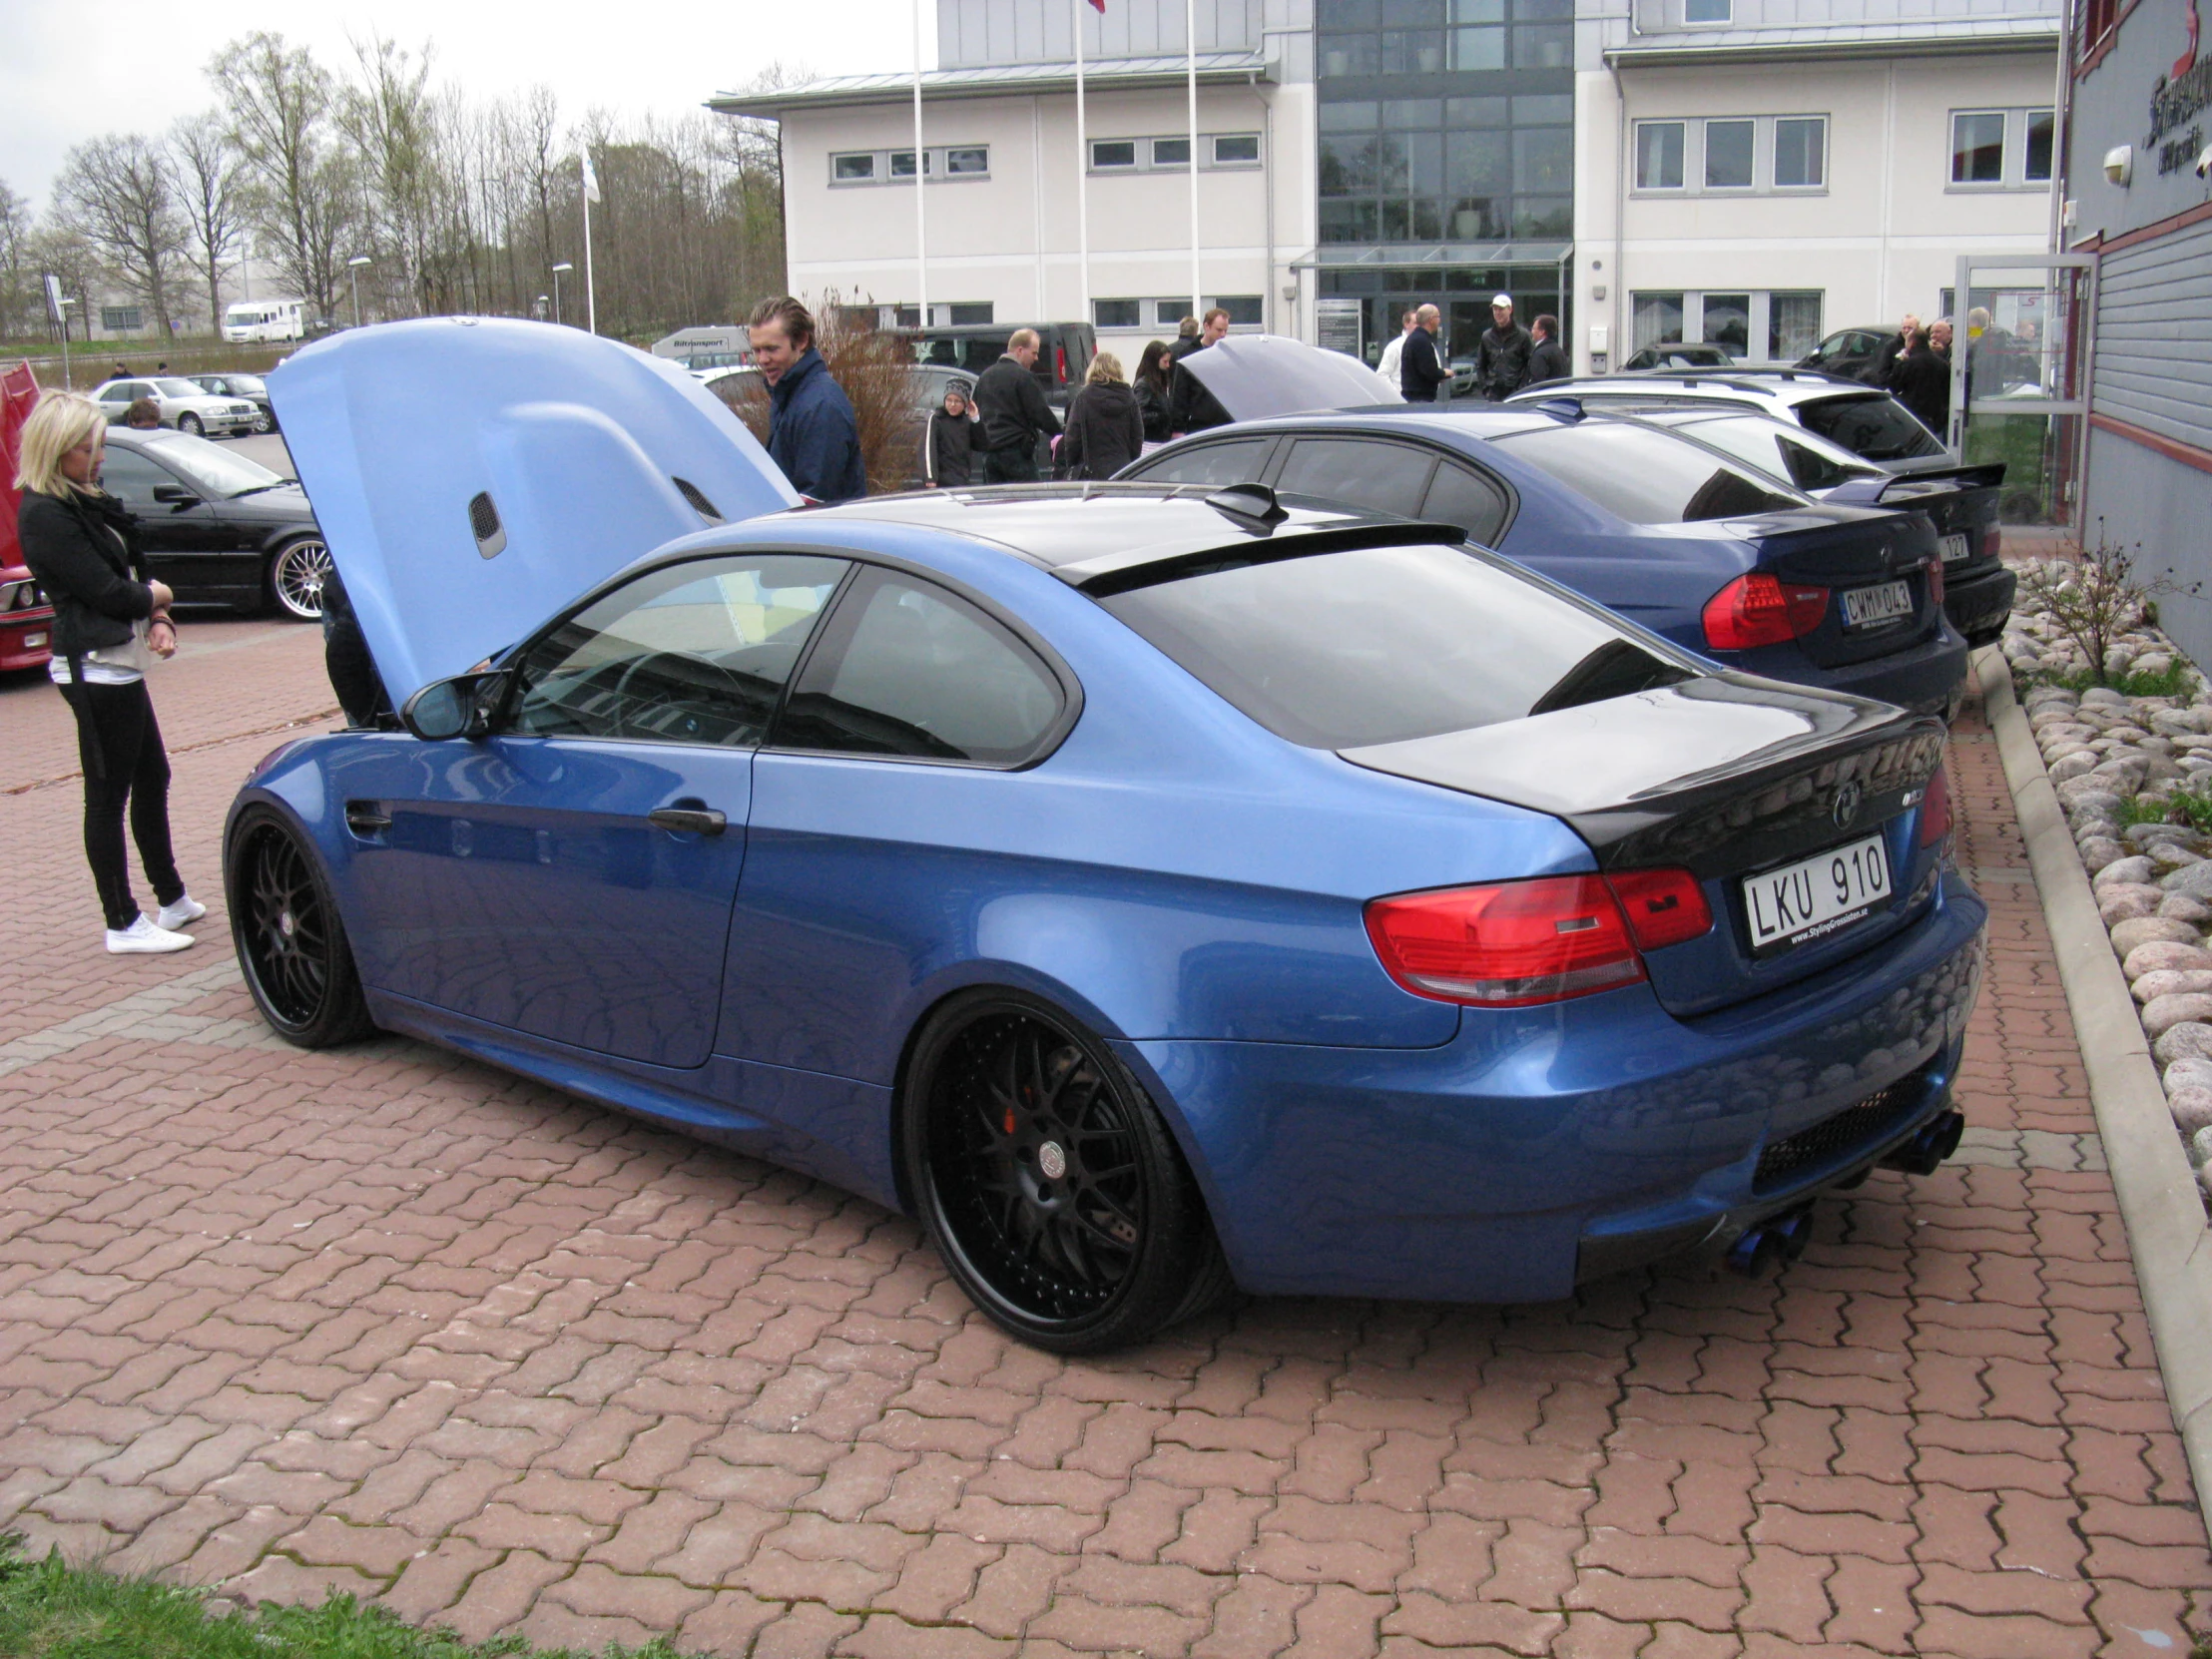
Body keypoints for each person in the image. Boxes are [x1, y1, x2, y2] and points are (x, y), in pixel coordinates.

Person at [14, 391, 204, 954]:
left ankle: (170, 898)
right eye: (85, 448)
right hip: (91, 668)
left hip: (120, 664)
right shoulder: (44, 512)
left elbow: (133, 563)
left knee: (154, 776)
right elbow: (108, 591)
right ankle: (121, 921)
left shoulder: (84, 498)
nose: (98, 457)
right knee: (107, 795)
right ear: (56, 449)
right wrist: (156, 596)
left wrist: (159, 613)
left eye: (98, 445)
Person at [747, 294, 864, 503]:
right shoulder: (790, 396)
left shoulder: (821, 406)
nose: (762, 360)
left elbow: (815, 501)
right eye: (757, 350)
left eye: (772, 349)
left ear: (801, 341)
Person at [973, 328, 1062, 483]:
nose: (1036, 358)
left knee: (997, 503)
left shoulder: (985, 377)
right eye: (1034, 353)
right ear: (1020, 350)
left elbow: (977, 413)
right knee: (1031, 500)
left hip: (990, 455)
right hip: (1017, 453)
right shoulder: (1023, 377)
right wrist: (1060, 434)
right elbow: (1039, 413)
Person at [1057, 351, 1146, 482]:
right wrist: (1130, 461)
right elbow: (1137, 436)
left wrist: (1073, 464)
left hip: (1091, 471)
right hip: (1123, 470)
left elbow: (1072, 439)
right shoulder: (1129, 398)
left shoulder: (1083, 398)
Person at [1168, 308, 1234, 436]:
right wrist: (1178, 428)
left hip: (1224, 424)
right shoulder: (1189, 354)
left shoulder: (1226, 354)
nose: (1223, 335)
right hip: (1198, 425)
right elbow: (1180, 392)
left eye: (1225, 331)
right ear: (1206, 326)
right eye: (1219, 330)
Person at [1892, 325, 1949, 438]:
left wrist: (1900, 364)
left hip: (1913, 416)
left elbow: (1894, 386)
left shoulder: (1909, 364)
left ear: (1912, 343)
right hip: (1936, 418)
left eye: (1907, 341)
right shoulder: (1942, 364)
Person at [1474, 293, 1533, 401]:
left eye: (1501, 309)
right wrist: (1486, 388)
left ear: (1510, 310)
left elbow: (1530, 364)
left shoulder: (1523, 336)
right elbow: (1480, 365)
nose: (1497, 313)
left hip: (1516, 393)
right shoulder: (1487, 336)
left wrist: (1521, 387)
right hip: (1493, 393)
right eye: (1495, 309)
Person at [922, 382, 975, 488]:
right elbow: (929, 449)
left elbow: (982, 444)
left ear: (965, 404)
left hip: (962, 479)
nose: (952, 405)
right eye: (949, 400)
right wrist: (930, 477)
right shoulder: (937, 419)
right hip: (942, 480)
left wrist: (976, 419)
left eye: (957, 401)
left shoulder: (966, 421)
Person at [1399, 304, 1451, 403]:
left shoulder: (1414, 338)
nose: (1439, 321)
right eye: (1438, 317)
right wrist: (1445, 373)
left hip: (1414, 398)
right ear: (1431, 319)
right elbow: (1429, 371)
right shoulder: (1421, 341)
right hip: (1420, 399)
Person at [1133, 339, 1174, 446]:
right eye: (1165, 361)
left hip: (1159, 439)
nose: (1168, 365)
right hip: (1151, 442)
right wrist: (1162, 415)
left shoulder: (1158, 382)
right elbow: (1139, 415)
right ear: (1155, 361)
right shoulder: (1144, 385)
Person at [1875, 312, 1921, 388]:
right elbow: (1883, 371)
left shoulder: (1922, 346)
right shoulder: (1891, 346)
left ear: (1917, 329)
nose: (1906, 330)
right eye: (1904, 327)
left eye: (1910, 328)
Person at [1375, 309, 1417, 389]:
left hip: (1424, 400)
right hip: (1403, 399)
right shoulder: (1395, 347)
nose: (1419, 326)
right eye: (1415, 323)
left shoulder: (1429, 345)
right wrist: (1396, 395)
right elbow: (1382, 374)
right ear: (1406, 324)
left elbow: (1435, 372)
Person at [1526, 314, 1569, 386]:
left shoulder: (1540, 354)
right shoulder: (1559, 350)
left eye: (1534, 328)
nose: (1532, 331)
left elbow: (1537, 382)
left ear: (1542, 332)